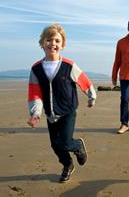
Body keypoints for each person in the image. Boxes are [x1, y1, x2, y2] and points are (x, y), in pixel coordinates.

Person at [27, 23, 97, 183]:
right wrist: (35, 113)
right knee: (55, 145)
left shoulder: (68, 65)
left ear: (62, 45)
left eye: (57, 41)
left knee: (65, 142)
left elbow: (83, 80)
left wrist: (91, 96)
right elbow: (34, 93)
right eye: (49, 40)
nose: (53, 44)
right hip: (50, 112)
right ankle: (67, 164)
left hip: (68, 110)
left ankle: (78, 145)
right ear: (42, 43)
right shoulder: (36, 69)